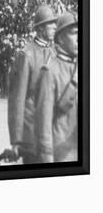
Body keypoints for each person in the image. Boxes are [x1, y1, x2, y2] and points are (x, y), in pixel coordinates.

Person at [8, 5, 57, 164]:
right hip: (31, 134)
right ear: (41, 28)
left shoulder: (54, 52)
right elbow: (17, 99)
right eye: (51, 23)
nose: (55, 27)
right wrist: (16, 139)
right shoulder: (26, 54)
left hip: (51, 132)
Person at [35, 11, 78, 163]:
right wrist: (47, 159)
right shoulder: (49, 71)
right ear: (60, 38)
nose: (79, 38)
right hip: (61, 153)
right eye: (74, 33)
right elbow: (44, 122)